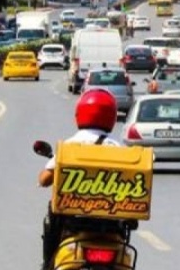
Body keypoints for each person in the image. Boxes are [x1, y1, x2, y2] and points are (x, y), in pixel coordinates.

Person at [38, 89, 123, 268]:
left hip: (73, 222)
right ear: (112, 117)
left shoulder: (69, 146)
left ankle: (47, 264)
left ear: (80, 114)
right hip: (111, 224)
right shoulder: (119, 149)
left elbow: (44, 180)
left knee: (50, 218)